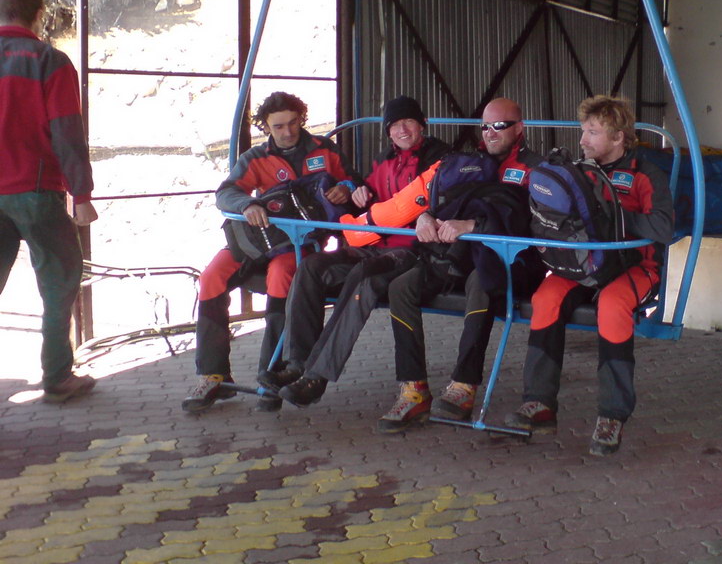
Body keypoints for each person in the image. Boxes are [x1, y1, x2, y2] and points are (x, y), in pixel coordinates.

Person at [504, 95, 673, 456]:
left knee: (612, 306)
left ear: (619, 137)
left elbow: (662, 226)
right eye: (583, 131)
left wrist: (610, 219)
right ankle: (540, 402)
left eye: (593, 133)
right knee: (545, 299)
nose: (582, 140)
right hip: (584, 263)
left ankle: (612, 415)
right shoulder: (580, 171)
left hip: (635, 267)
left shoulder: (645, 173)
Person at [261, 95, 449, 406]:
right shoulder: (382, 160)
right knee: (312, 266)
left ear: (422, 125)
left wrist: (430, 214)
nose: (402, 130)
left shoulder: (440, 158)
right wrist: (356, 191)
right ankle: (296, 363)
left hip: (414, 253)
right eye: (394, 125)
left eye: (409, 122)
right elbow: (364, 191)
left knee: (364, 278)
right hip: (374, 246)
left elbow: (452, 197)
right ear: (387, 132)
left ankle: (317, 376)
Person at [181, 91, 360, 412]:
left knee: (281, 276)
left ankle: (272, 376)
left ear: (302, 120)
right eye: (278, 126)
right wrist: (246, 204)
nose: (287, 132)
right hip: (258, 238)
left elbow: (354, 183)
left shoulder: (324, 150)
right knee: (211, 277)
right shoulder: (255, 157)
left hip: (300, 241)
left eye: (293, 123)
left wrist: (343, 189)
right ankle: (213, 375)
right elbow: (226, 193)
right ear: (266, 127)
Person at [378, 97, 545, 433]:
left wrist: (476, 227)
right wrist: (424, 216)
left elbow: (537, 227)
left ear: (520, 128)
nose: (492, 132)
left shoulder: (536, 170)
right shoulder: (467, 164)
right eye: (485, 126)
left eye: (501, 125)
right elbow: (440, 202)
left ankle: (464, 386)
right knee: (402, 286)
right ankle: (413, 388)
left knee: (481, 283)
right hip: (457, 257)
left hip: (509, 262)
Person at [0, 0, 99, 402]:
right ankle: (57, 376)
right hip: (35, 190)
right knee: (60, 279)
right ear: (38, 15)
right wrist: (81, 193)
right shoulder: (48, 60)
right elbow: (66, 132)